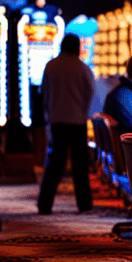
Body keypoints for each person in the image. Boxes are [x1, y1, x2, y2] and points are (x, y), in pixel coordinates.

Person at [37, 33, 95, 215]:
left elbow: (44, 93)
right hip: (78, 121)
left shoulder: (51, 66)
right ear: (78, 47)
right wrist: (84, 112)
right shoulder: (83, 68)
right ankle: (84, 204)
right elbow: (90, 94)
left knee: (54, 164)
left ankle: (44, 205)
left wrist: (49, 113)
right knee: (80, 166)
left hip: (57, 121)